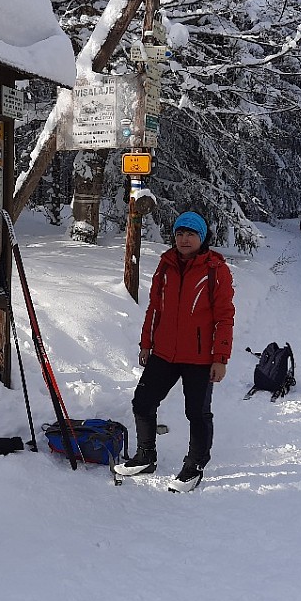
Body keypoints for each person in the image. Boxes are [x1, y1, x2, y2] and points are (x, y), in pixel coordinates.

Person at [114, 211, 235, 492]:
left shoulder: (215, 270)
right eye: (180, 233)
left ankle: (195, 465)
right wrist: (146, 344)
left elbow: (224, 317)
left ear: (201, 238)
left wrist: (220, 359)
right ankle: (146, 456)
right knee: (142, 402)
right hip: (164, 353)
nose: (184, 239)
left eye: (191, 234)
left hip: (200, 358)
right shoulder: (166, 266)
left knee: (197, 412)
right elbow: (154, 309)